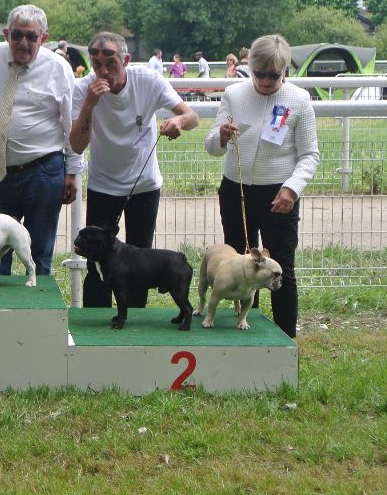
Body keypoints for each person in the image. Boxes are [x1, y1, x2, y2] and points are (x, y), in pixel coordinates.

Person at [69, 31, 199, 309]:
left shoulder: (148, 81)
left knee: (140, 262)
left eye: (111, 63)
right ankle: (95, 325)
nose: (103, 71)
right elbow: (77, 145)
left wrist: (177, 122)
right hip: (103, 185)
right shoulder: (83, 89)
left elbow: (192, 117)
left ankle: (136, 326)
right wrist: (90, 104)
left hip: (144, 186)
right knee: (96, 263)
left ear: (126, 60)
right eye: (96, 64)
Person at [0, 3, 80, 275]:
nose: (23, 42)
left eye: (31, 36)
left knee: (39, 253)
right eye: (17, 35)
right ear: (6, 33)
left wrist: (72, 172)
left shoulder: (58, 68)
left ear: (43, 38)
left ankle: (39, 313)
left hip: (44, 171)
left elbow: (71, 123)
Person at [204, 34, 318, 338]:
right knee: (241, 264)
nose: (266, 81)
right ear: (249, 66)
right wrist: (222, 137)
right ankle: (243, 332)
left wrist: (292, 189)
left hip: (279, 195)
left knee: (283, 270)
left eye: (274, 74)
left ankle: (285, 339)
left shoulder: (299, 100)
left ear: (285, 71)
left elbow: (309, 155)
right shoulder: (233, 94)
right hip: (236, 192)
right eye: (259, 73)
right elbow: (212, 147)